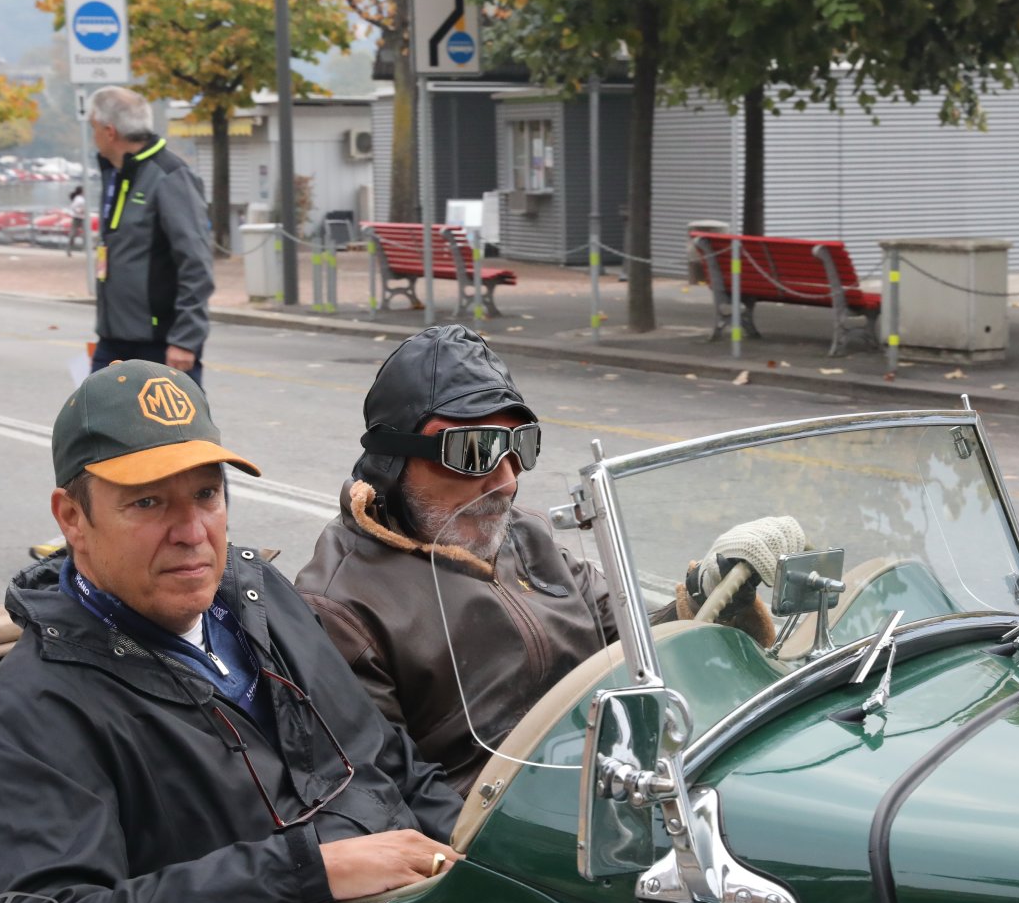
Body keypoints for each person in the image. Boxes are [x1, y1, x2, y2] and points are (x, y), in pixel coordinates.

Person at [0, 360, 462, 903]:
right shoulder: (36, 708)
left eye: (207, 494)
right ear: (72, 518)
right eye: (148, 503)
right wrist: (307, 872)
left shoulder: (259, 597)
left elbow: (386, 762)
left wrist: (486, 854)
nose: (192, 530)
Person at [295, 326, 787, 794]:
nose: (506, 481)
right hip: (499, 827)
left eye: (519, 447)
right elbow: (386, 791)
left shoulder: (527, 536)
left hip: (617, 774)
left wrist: (703, 601)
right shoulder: (341, 606)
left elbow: (623, 649)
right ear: (392, 460)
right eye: (474, 451)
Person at [87, 86, 214, 385]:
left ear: (109, 131)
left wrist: (185, 339)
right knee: (93, 413)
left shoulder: (170, 176)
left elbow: (196, 262)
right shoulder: (116, 173)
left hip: (161, 344)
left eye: (93, 127)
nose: (92, 136)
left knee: (173, 418)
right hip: (113, 340)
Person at [65, 185, 87, 256]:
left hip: (79, 217)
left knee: (74, 234)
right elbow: (73, 206)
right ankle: (85, 248)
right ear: (81, 191)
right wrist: (79, 211)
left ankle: (70, 249)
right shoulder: (79, 199)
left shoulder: (79, 198)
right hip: (79, 218)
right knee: (78, 233)